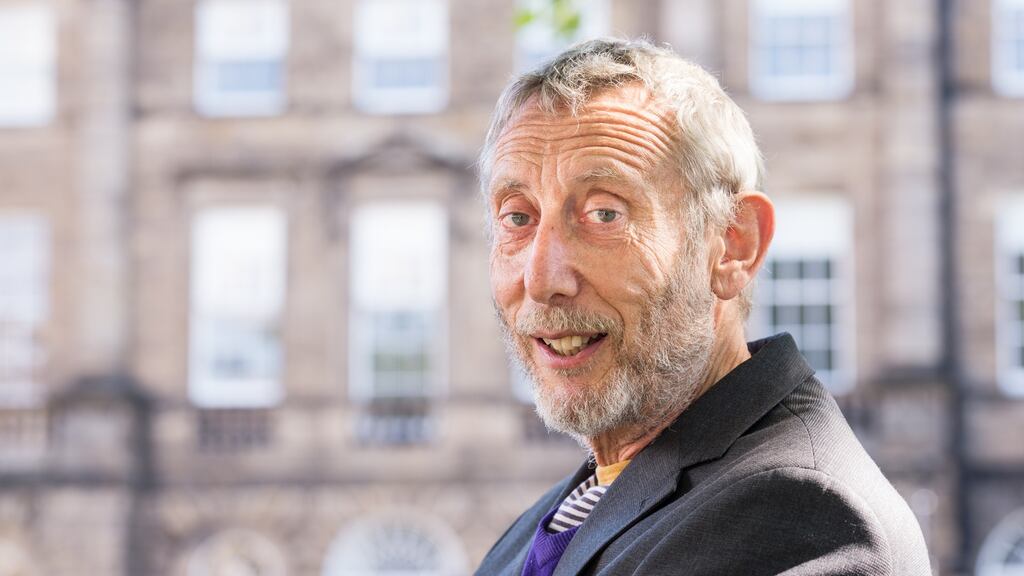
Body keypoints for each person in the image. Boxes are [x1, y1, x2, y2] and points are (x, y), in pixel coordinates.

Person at [475, 38, 931, 576]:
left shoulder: (803, 515)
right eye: (517, 218)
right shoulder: (545, 521)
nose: (542, 279)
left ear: (733, 245)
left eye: (604, 214)